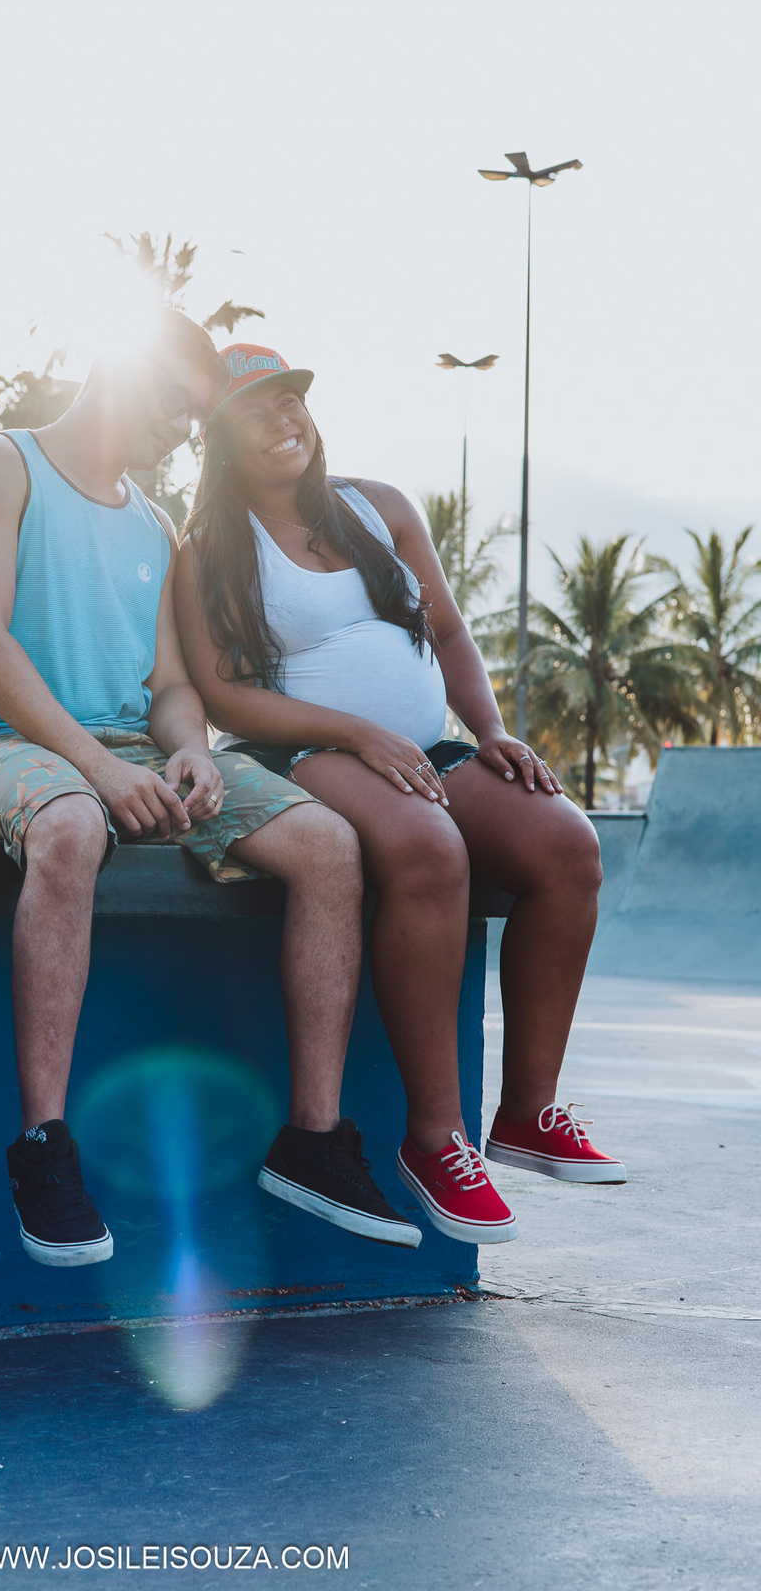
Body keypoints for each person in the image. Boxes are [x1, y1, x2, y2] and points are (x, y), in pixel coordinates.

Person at [0, 310, 425, 1268]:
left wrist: (188, 748)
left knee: (328, 846)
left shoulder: (155, 523)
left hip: (127, 752)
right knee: (71, 827)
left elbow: (171, 688)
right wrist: (104, 772)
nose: (182, 433)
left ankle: (312, 1141)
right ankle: (44, 1148)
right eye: (176, 407)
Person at [174, 342, 626, 1248]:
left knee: (567, 846)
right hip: (301, 750)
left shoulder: (378, 509)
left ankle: (527, 1113)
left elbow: (451, 634)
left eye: (293, 400)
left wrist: (492, 732)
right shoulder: (212, 550)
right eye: (257, 409)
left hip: (430, 748)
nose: (284, 419)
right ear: (219, 439)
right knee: (429, 849)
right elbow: (222, 693)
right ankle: (435, 1139)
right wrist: (353, 730)